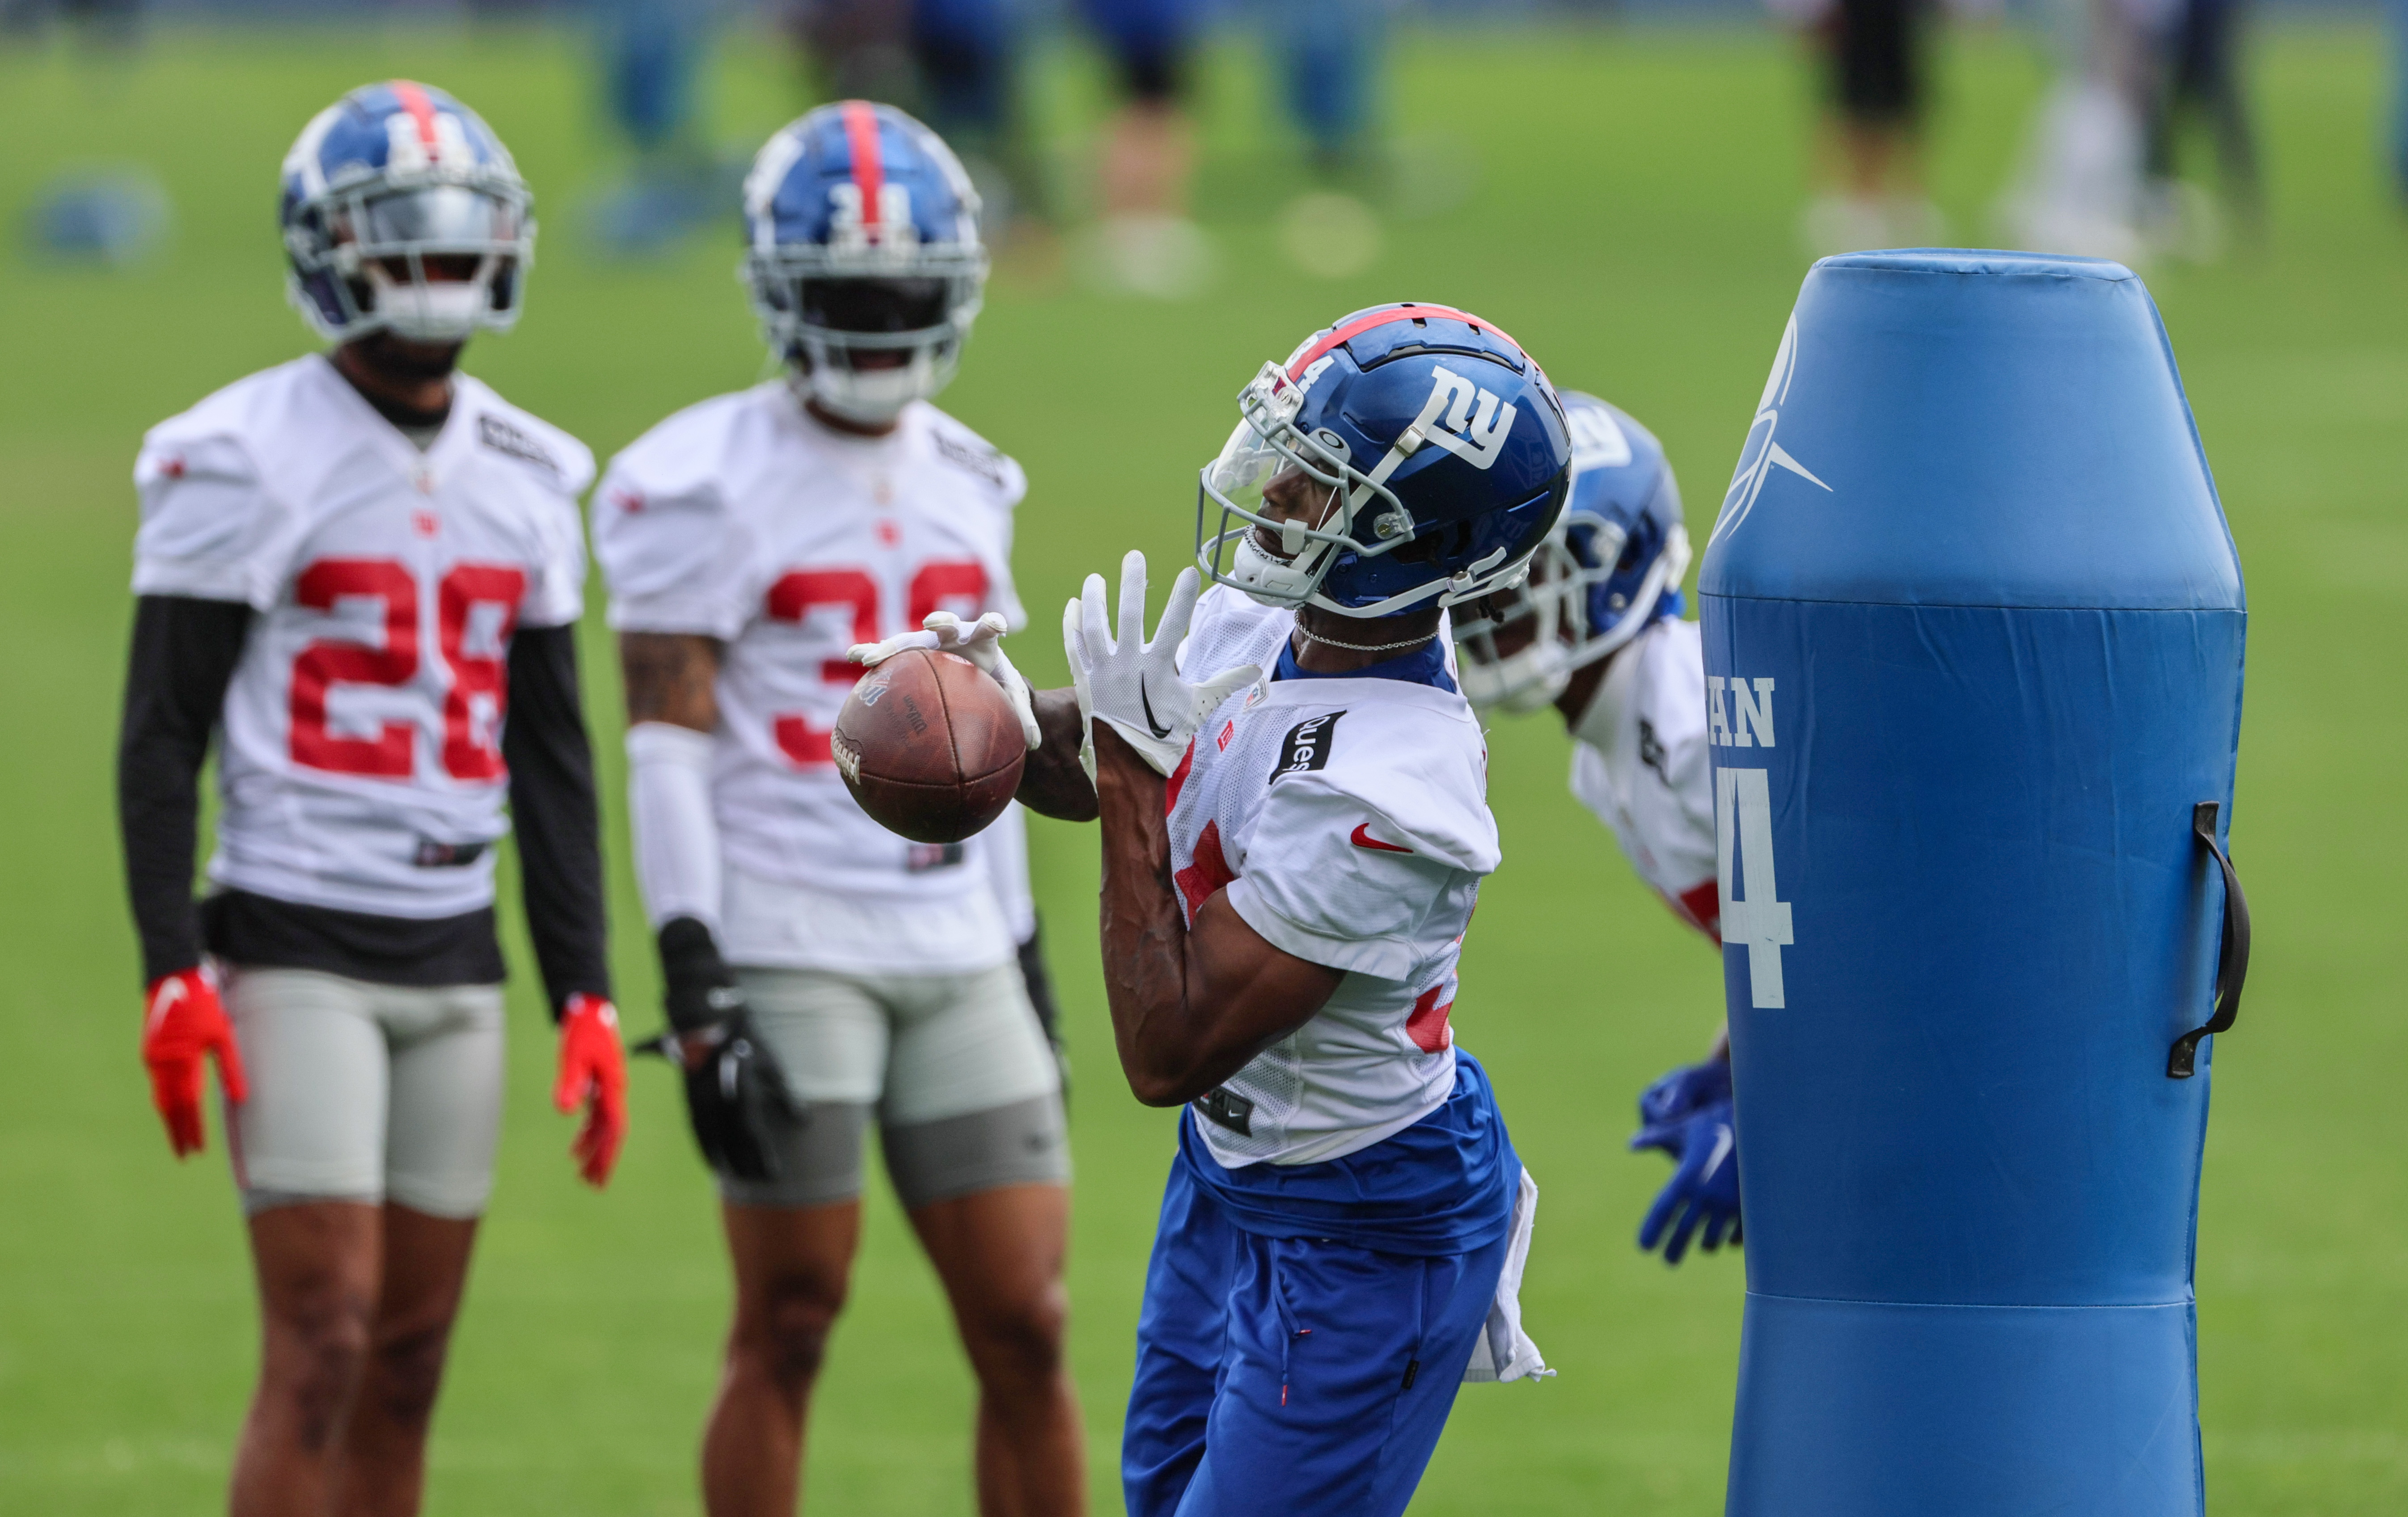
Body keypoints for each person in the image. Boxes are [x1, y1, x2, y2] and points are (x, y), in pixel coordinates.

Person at [880, 303, 1568, 1514]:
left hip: (1368, 1219)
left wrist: (1132, 777)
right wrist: (993, 717)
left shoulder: (1397, 784)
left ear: (1410, 540)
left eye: (1319, 481)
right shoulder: (1275, 618)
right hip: (1234, 1163)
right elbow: (1110, 764)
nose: (1279, 491)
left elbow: (1167, 1044)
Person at [115, 81, 625, 1517]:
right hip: (291, 936)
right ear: (329, 251)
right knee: (324, 1334)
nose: (435, 265)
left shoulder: (529, 470)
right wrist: (171, 966)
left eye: (456, 232)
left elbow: (553, 750)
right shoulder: (238, 450)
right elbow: (163, 732)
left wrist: (581, 987)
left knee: (407, 1359)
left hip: (455, 948)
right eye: (401, 236)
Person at [591, 102, 1081, 1517]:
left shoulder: (973, 474)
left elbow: (978, 738)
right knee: (791, 1323)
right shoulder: (694, 480)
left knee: (1030, 1325)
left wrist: (1026, 949)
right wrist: (697, 975)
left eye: (902, 295)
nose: (876, 323)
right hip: (790, 938)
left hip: (957, 946)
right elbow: (667, 746)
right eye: (849, 295)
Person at [1449, 390, 1738, 1266]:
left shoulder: (1693, 725)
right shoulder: (1606, 750)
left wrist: (1773, 1110)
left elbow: (1887, 937)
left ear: (1616, 562)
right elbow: (1789, 938)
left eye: (1524, 563)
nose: (1487, 593)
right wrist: (1737, 1060)